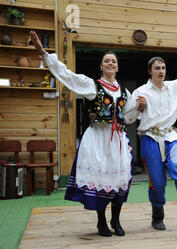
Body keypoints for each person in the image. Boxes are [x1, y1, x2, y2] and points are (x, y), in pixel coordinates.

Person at [30, 31, 145, 237]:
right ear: (101, 66)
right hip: (97, 139)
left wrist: (139, 108)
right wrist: (44, 54)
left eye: (113, 61)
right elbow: (68, 75)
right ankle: (102, 223)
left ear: (117, 66)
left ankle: (116, 221)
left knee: (119, 181)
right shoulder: (92, 85)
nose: (110, 64)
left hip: (117, 140)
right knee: (101, 180)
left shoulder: (124, 92)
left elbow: (127, 118)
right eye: (106, 61)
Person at [124, 43, 177, 231]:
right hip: (149, 138)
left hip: (171, 136)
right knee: (157, 180)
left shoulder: (173, 87)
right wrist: (139, 107)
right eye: (157, 68)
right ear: (150, 71)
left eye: (163, 68)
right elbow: (127, 118)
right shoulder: (140, 92)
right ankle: (158, 215)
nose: (161, 71)